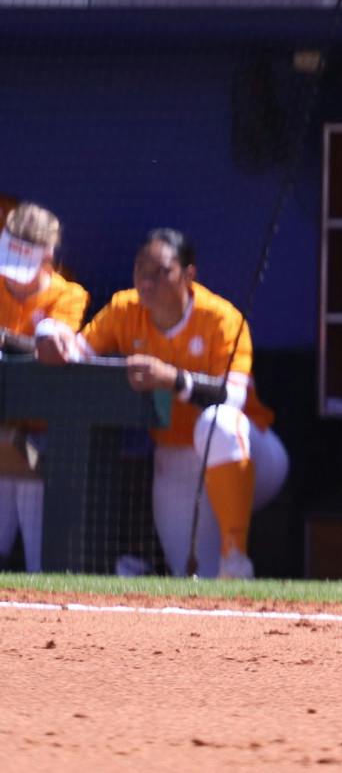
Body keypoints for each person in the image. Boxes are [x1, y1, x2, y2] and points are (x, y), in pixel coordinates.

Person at [36, 229, 288, 580]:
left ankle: (236, 555)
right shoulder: (125, 308)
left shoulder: (221, 318)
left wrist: (171, 378)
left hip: (252, 454)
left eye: (161, 272)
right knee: (198, 581)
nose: (148, 281)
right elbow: (76, 352)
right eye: (141, 270)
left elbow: (234, 398)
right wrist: (50, 336)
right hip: (175, 457)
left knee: (219, 422)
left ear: (188, 275)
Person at [0, 202, 87, 572]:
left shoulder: (68, 295)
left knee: (33, 489)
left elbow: (53, 348)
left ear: (48, 255)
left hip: (46, 435)